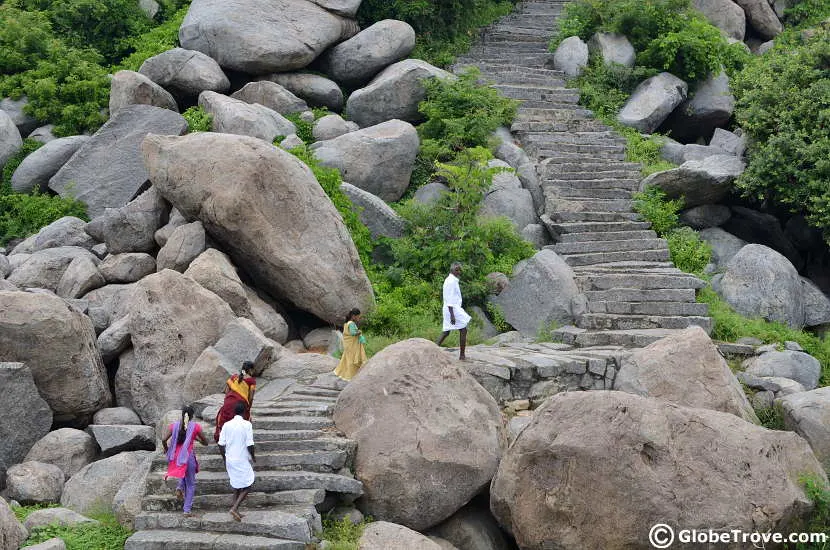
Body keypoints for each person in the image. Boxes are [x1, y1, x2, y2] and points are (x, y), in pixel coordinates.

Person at [161, 405, 209, 517]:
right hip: (188, 457)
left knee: (183, 472)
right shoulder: (196, 427)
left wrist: (167, 449)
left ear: (182, 415)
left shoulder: (174, 426)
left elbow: (163, 439)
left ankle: (179, 487)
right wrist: (196, 438)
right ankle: (186, 510)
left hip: (177, 458)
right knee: (191, 484)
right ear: (192, 417)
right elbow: (205, 442)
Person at [218, 401, 256, 522]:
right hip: (241, 459)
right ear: (244, 412)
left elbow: (220, 444)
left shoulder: (226, 425)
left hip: (230, 459)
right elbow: (250, 444)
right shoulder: (247, 425)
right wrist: (253, 456)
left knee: (236, 485)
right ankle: (234, 508)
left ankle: (236, 511)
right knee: (248, 484)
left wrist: (224, 458)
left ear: (234, 412)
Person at [436, 262, 471, 360]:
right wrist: (452, 315)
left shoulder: (451, 280)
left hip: (451, 308)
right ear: (451, 270)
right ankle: (462, 356)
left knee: (446, 331)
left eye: (459, 270)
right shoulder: (451, 281)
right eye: (456, 270)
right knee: (463, 329)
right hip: (452, 309)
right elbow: (450, 298)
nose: (458, 272)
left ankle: (433, 349)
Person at [214, 361, 256, 443]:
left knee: (223, 418)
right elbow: (250, 398)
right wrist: (248, 408)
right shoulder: (251, 381)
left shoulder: (233, 377)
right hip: (240, 405)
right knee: (245, 421)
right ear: (250, 370)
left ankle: (223, 439)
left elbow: (226, 391)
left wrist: (227, 401)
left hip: (228, 403)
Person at [333, 308, 367, 381]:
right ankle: (351, 375)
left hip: (349, 345)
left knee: (347, 359)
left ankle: (342, 373)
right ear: (354, 316)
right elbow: (352, 333)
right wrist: (359, 332)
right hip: (352, 346)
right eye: (358, 316)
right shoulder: (351, 324)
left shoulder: (347, 323)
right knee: (353, 359)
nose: (359, 318)